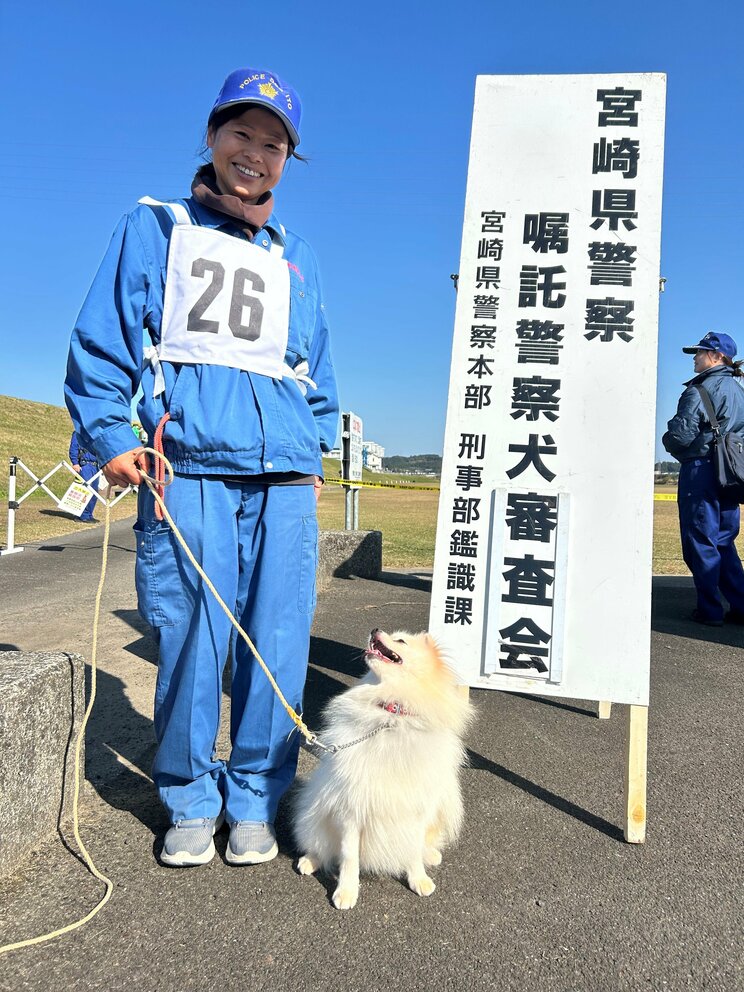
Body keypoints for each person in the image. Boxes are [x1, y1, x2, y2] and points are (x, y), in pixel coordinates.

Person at [65, 68, 339, 867]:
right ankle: (189, 796)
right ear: (213, 137)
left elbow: (315, 366)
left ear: (289, 157)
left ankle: (254, 796)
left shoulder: (299, 256)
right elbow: (103, 336)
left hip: (284, 473)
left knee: (278, 642)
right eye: (242, 134)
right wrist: (111, 431)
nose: (255, 154)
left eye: (274, 142)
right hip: (185, 469)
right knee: (190, 636)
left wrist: (315, 449)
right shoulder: (155, 225)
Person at [662, 331, 744, 627]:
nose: (695, 357)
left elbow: (680, 434)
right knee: (724, 541)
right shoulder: (739, 391)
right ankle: (740, 606)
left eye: (700, 352)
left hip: (701, 471)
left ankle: (709, 611)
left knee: (700, 541)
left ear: (717, 356)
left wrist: (667, 440)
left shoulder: (699, 391)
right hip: (732, 472)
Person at [68, 429, 99, 522]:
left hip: (95, 466)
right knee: (85, 491)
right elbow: (73, 447)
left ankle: (89, 514)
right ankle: (83, 515)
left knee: (94, 492)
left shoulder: (96, 432)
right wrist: (75, 462)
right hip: (85, 465)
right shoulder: (78, 432)